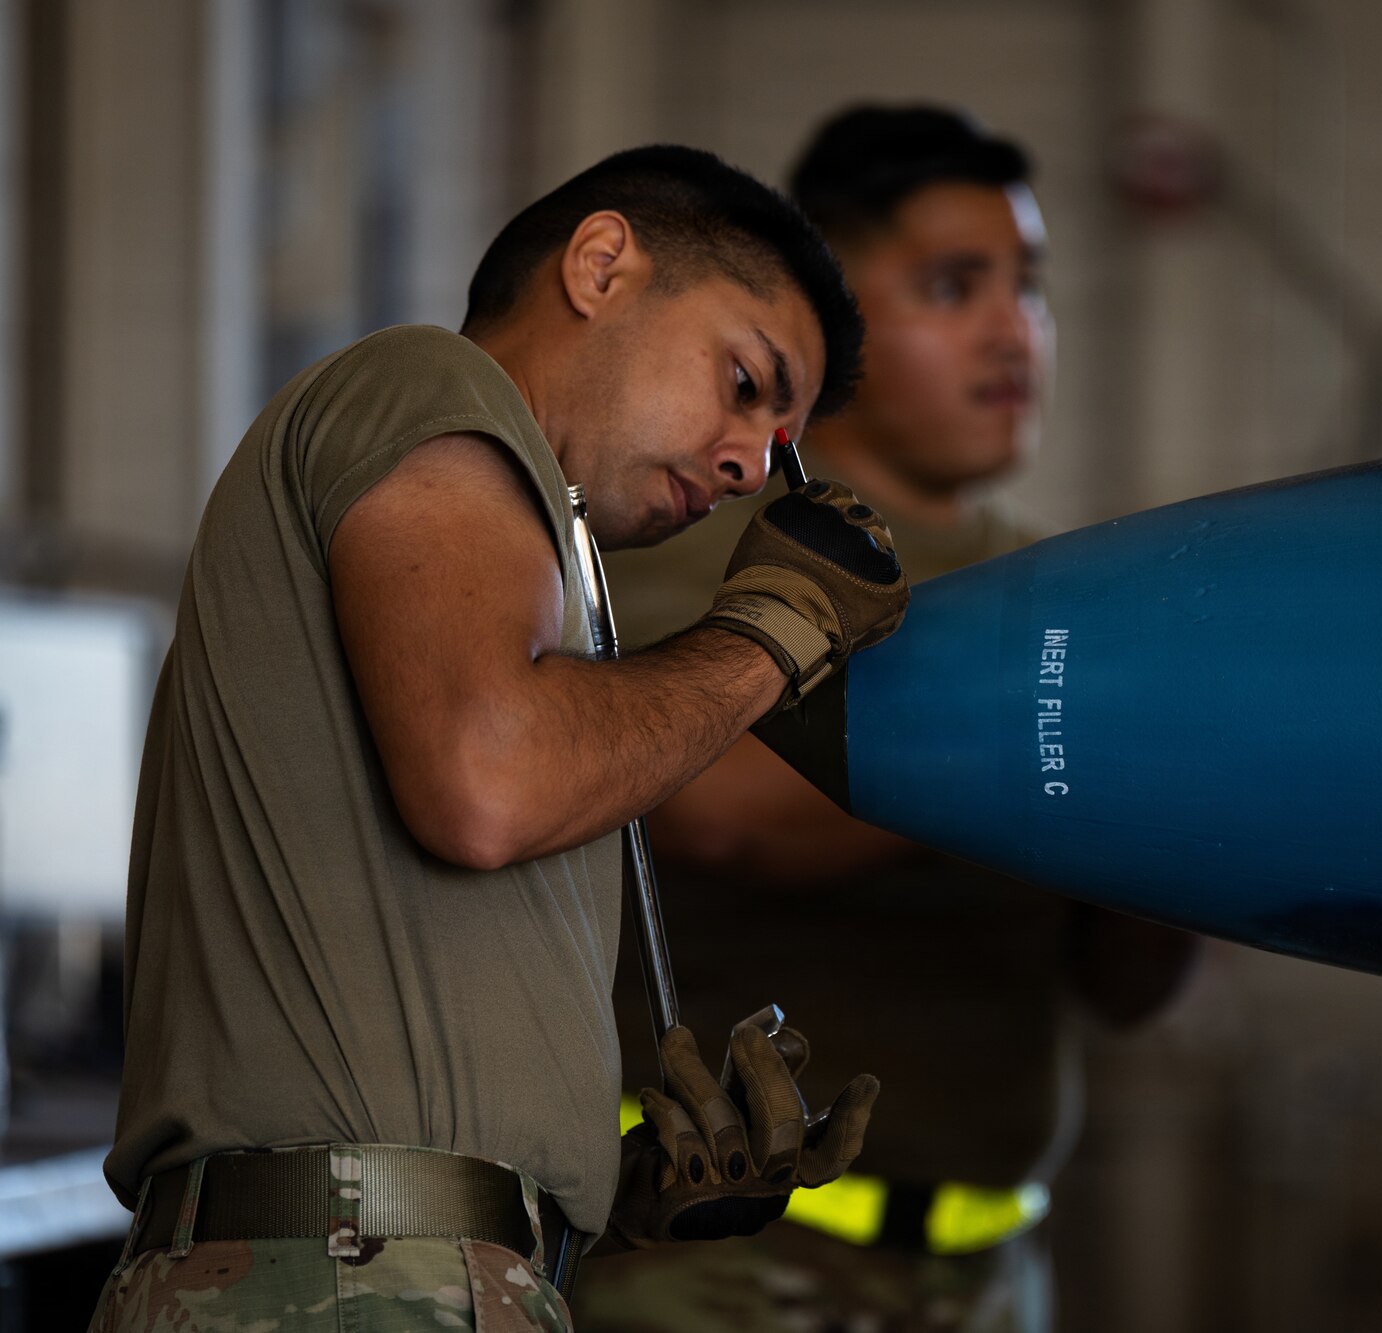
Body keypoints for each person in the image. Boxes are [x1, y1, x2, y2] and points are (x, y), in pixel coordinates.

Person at [90, 145, 911, 1332]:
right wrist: (769, 634)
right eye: (744, 381)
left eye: (777, 447)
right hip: (347, 1275)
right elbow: (486, 783)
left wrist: (599, 1187)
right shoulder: (427, 385)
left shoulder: (554, 588)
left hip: (375, 1273)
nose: (746, 467)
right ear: (600, 265)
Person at [573, 106, 1197, 1333]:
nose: (1010, 331)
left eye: (1028, 288)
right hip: (727, 1261)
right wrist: (1087, 747)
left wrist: (1201, 818)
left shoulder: (1075, 595)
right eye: (952, 286)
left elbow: (1124, 984)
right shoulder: (703, 542)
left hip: (990, 1267)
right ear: (829, 316)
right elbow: (727, 815)